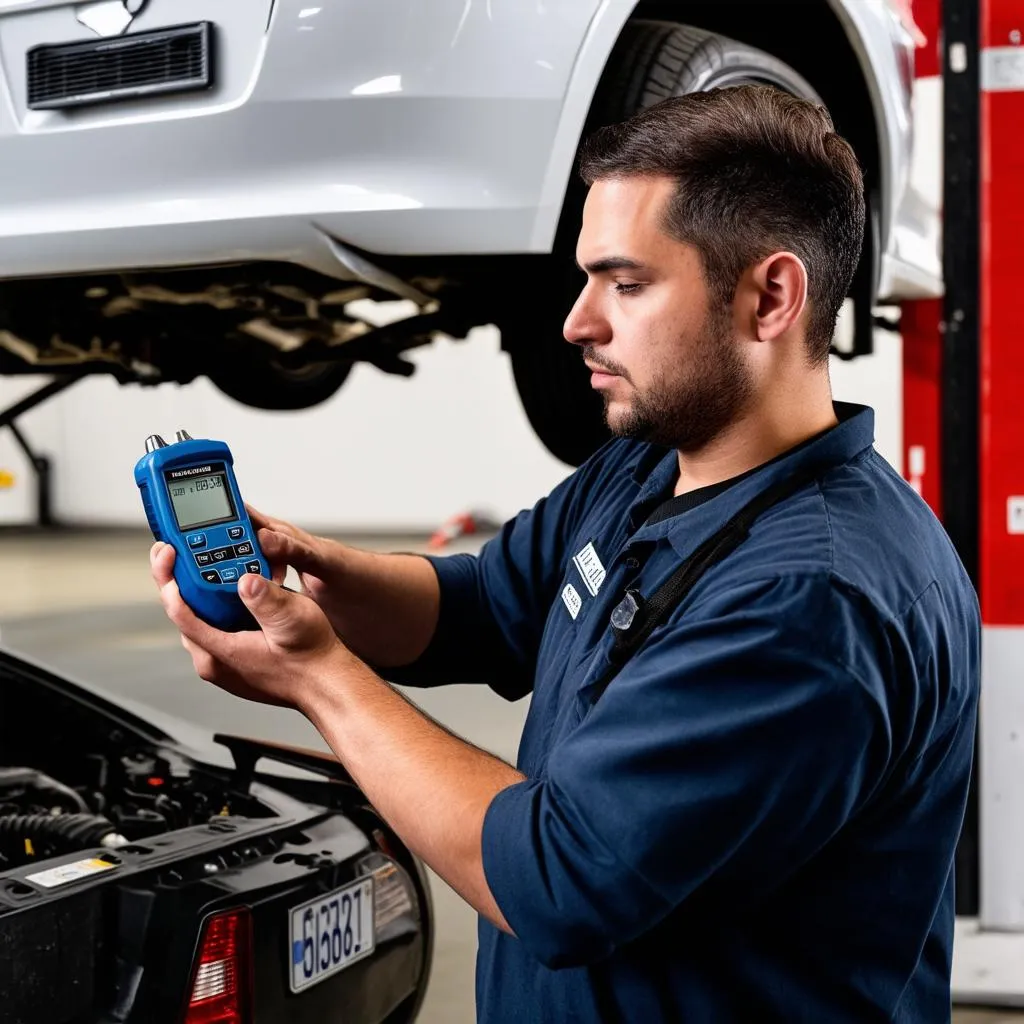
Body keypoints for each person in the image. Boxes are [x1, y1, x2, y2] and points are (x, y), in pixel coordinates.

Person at [151, 85, 980, 1022]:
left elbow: (556, 877)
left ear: (771, 297)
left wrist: (317, 678)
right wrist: (306, 572)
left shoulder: (812, 596)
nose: (577, 322)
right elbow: (478, 607)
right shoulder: (649, 463)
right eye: (587, 279)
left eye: (626, 284)